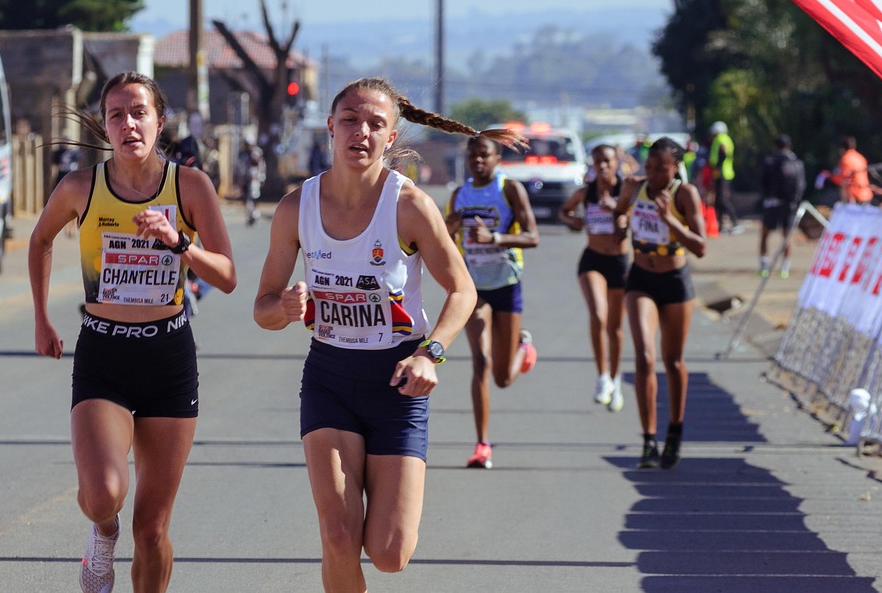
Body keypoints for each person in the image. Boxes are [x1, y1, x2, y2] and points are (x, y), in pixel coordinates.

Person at [253, 76, 510, 591]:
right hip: (329, 377)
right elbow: (262, 308)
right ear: (330, 126)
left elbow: (463, 291)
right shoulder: (295, 208)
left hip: (397, 382)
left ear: (392, 138)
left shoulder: (409, 206)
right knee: (339, 535)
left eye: (376, 124)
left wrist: (430, 354)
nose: (361, 133)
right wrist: (283, 307)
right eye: (350, 120)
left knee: (390, 554)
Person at [29, 72, 236, 593]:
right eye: (116, 114)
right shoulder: (81, 187)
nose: (128, 123)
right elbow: (40, 241)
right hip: (103, 353)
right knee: (103, 495)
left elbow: (228, 277)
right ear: (105, 125)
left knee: (153, 530)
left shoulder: (189, 186)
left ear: (159, 122)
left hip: (168, 358)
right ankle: (102, 532)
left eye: (139, 112)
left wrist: (177, 243)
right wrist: (42, 318)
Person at [445, 135, 539, 469]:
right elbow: (443, 239)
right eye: (472, 156)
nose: (477, 162)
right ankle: (482, 444)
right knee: (480, 362)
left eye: (484, 156)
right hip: (475, 288)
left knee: (502, 376)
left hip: (506, 283)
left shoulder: (509, 189)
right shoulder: (459, 194)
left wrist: (495, 238)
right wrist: (449, 226)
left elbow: (532, 236)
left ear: (497, 158)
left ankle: (522, 347)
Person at [614, 137, 707, 470]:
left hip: (675, 282)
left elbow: (700, 246)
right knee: (644, 356)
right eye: (649, 167)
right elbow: (617, 219)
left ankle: (675, 432)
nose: (651, 174)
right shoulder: (635, 187)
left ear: (676, 167)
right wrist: (620, 221)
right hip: (640, 277)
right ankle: (648, 440)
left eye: (660, 169)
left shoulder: (685, 194)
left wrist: (670, 220)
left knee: (673, 361)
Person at [560, 144, 630, 414]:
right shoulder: (586, 192)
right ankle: (602, 377)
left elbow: (636, 220)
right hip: (593, 260)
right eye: (598, 162)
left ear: (616, 163)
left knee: (615, 327)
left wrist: (619, 213)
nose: (602, 166)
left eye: (607, 162)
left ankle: (615, 378)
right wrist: (573, 221)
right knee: (598, 316)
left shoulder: (626, 191)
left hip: (619, 262)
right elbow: (564, 212)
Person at [759, 134, 806, 279]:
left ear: (776, 146)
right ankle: (785, 268)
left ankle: (764, 267)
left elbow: (763, 182)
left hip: (772, 204)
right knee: (787, 237)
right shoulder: (797, 163)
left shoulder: (771, 162)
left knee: (765, 235)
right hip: (789, 205)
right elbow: (801, 185)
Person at [708, 121, 741, 234]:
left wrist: (717, 167)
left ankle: (735, 223)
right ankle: (720, 225)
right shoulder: (725, 138)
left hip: (722, 173)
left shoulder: (721, 139)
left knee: (723, 200)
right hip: (722, 173)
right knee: (718, 201)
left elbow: (722, 153)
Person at [820, 135, 873, 204]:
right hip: (867, 194)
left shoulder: (846, 159)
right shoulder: (860, 157)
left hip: (855, 197)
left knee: (827, 201)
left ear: (842, 148)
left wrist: (829, 175)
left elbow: (843, 180)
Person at [238, 136, 265, 226]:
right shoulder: (243, 154)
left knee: (254, 197)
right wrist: (241, 179)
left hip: (254, 179)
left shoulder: (257, 153)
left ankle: (255, 214)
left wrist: (261, 177)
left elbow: (261, 166)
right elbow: (241, 167)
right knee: (246, 198)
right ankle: (249, 215)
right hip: (246, 179)